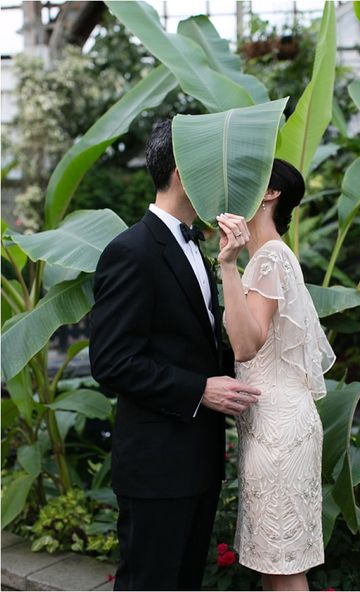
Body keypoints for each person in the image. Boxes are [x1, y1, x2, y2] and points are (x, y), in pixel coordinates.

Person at [89, 119, 261, 591]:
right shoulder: (131, 250)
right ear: (183, 172)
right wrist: (199, 389)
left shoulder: (202, 248)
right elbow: (111, 360)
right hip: (156, 466)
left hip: (199, 461)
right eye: (207, 165)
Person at [216, 159, 336, 592]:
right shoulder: (272, 257)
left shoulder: (267, 258)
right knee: (275, 561)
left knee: (282, 565)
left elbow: (247, 345)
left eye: (249, 181)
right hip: (275, 425)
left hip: (280, 432)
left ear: (270, 194)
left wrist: (227, 266)